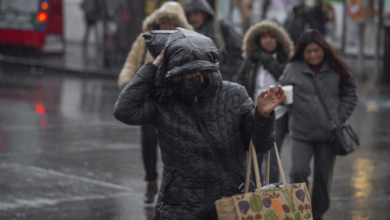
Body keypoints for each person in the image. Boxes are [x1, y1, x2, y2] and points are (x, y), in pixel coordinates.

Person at [114, 28, 286, 220]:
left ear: (206, 68)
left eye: (193, 72)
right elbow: (124, 110)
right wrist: (153, 66)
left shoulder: (234, 95)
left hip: (230, 203)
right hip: (179, 205)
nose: (187, 79)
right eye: (181, 75)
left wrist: (263, 115)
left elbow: (260, 146)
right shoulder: (165, 101)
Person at [116, 1, 192, 204]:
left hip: (176, 102)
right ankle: (151, 182)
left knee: (177, 146)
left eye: (170, 22)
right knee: (148, 143)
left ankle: (175, 187)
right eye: (162, 22)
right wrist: (127, 84)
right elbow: (131, 62)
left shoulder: (187, 41)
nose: (165, 26)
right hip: (150, 99)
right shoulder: (145, 39)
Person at [279, 30, 358, 220]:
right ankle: (301, 214)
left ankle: (317, 215)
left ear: (323, 49)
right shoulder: (293, 68)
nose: (313, 55)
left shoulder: (337, 67)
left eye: (316, 50)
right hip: (301, 133)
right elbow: (282, 93)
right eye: (308, 52)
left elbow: (351, 95)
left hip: (328, 135)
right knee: (297, 172)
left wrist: (338, 118)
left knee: (323, 179)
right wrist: (283, 98)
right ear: (302, 53)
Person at [237, 20, 293, 184]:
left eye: (271, 37)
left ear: (279, 40)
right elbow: (240, 81)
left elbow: (281, 74)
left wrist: (265, 58)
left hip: (279, 115)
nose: (267, 40)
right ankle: (258, 196)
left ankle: (273, 195)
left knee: (273, 158)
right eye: (264, 37)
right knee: (255, 158)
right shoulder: (251, 60)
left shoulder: (285, 61)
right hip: (255, 114)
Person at [183, 0, 243, 81]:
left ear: (204, 13)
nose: (193, 18)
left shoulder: (221, 27)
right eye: (190, 15)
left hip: (223, 83)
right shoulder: (186, 32)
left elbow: (240, 52)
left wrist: (225, 72)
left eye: (196, 14)